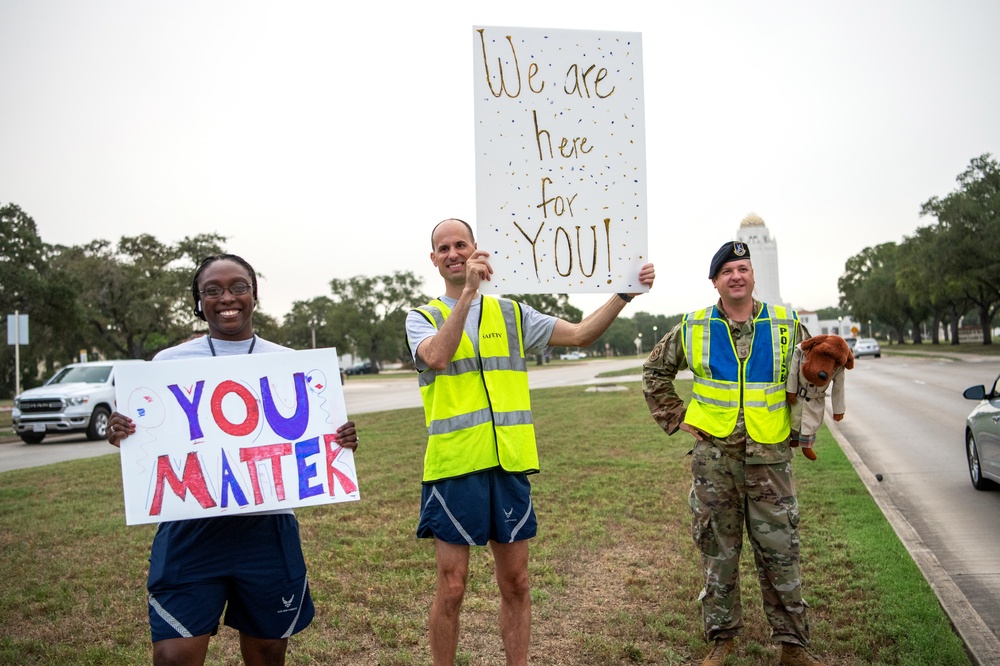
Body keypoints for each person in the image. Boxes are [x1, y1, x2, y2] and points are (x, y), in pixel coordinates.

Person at [405, 218, 655, 666]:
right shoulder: (421, 317)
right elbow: (438, 357)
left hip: (509, 465)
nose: (453, 253)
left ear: (476, 247)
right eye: (443, 248)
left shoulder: (512, 313)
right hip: (454, 467)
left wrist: (624, 295)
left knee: (517, 583)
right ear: (433, 259)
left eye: (461, 244)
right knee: (453, 586)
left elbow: (580, 333)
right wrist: (468, 294)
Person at [107, 253, 359, 666]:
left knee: (267, 652)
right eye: (213, 290)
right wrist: (121, 432)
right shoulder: (168, 365)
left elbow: (315, 432)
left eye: (238, 286)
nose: (227, 298)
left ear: (254, 295)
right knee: (174, 657)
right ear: (198, 301)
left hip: (267, 529)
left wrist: (340, 439)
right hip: (189, 529)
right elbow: (148, 437)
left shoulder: (288, 362)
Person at [642, 241, 826, 666]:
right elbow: (655, 371)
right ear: (715, 282)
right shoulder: (693, 326)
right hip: (714, 460)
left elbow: (812, 376)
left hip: (771, 458)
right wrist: (676, 416)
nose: (736, 276)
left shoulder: (786, 323)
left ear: (753, 275)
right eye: (727, 271)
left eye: (743, 268)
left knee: (780, 550)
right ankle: (721, 640)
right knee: (718, 550)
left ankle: (793, 647)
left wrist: (807, 424)